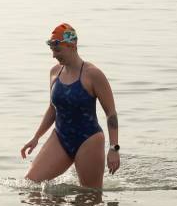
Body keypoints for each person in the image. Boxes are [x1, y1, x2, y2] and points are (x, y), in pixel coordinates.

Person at [21, 23, 120, 188]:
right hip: (60, 137)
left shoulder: (93, 74)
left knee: (90, 198)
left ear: (72, 46)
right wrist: (36, 137)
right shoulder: (54, 72)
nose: (54, 55)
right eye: (52, 50)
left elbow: (111, 114)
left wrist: (114, 148)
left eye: (58, 50)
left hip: (88, 140)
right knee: (31, 185)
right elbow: (53, 107)